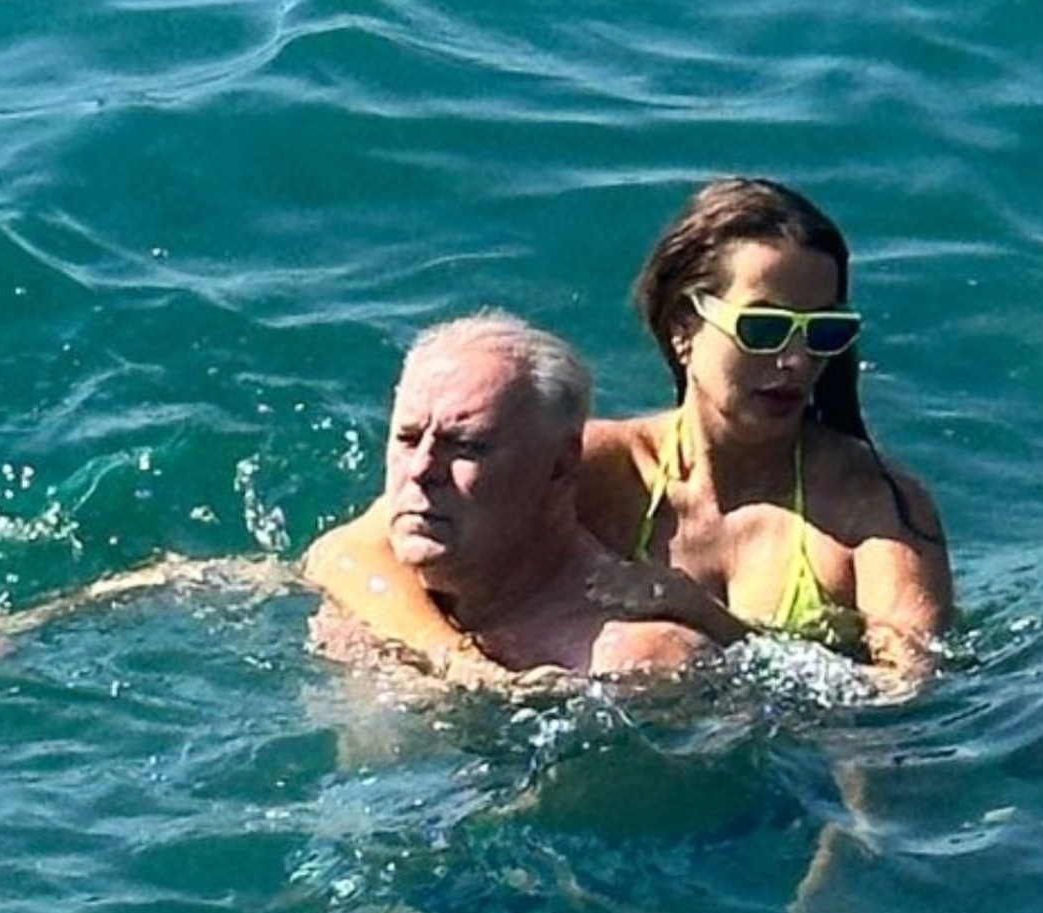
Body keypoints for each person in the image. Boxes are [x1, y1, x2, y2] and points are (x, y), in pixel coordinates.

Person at [310, 177, 953, 683]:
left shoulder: (874, 511)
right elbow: (347, 555)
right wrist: (459, 664)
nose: (796, 360)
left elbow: (905, 695)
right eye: (764, 329)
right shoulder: (596, 465)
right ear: (683, 328)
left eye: (824, 332)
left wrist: (711, 621)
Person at [304, 311, 711, 679]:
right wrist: (453, 658)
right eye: (408, 439)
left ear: (559, 466)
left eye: (466, 447)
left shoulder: (637, 661)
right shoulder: (360, 593)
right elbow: (332, 555)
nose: (421, 470)